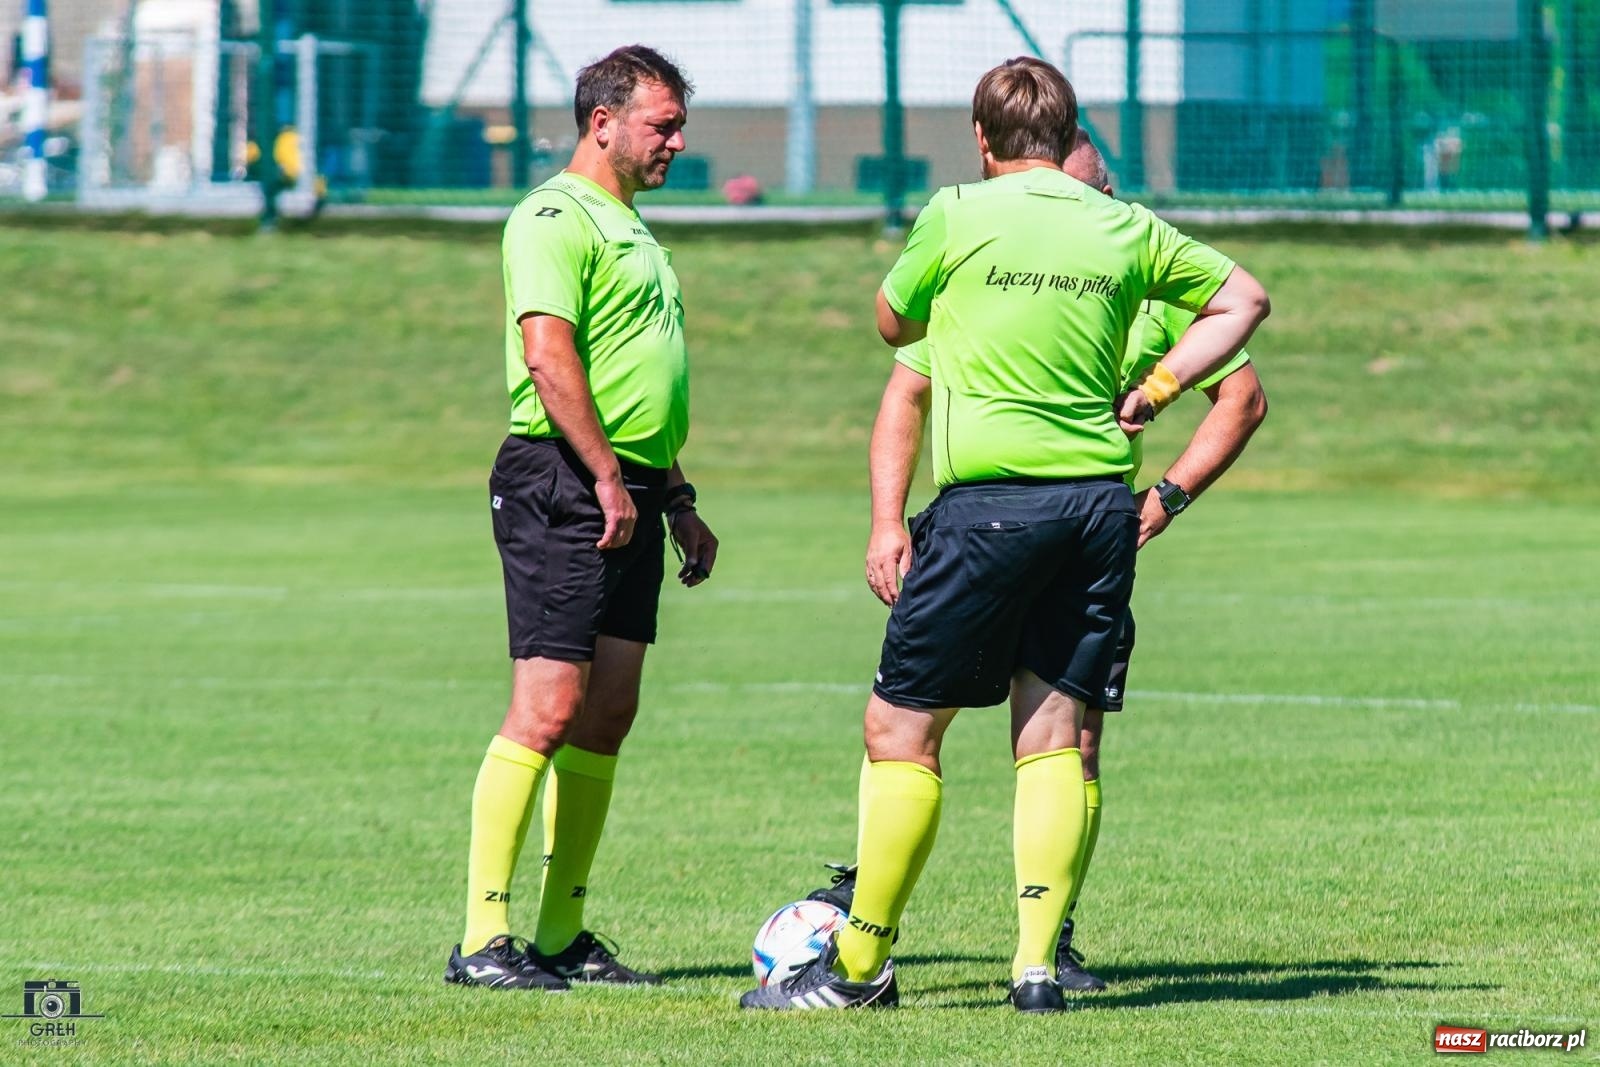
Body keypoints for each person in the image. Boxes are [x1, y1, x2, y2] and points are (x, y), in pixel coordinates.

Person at [741, 56, 1269, 1013]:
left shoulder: (957, 211)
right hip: (1098, 511)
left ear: (984, 140)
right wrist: (1153, 391)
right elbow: (1246, 302)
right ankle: (1036, 969)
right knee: (1054, 736)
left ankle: (856, 969)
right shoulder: (1124, 228)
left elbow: (893, 322)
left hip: (989, 509)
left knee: (899, 731)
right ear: (1068, 135)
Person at [444, 44, 719, 992]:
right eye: (664, 125)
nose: (678, 142)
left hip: (630, 485)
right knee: (549, 706)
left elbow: (634, 382)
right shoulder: (554, 216)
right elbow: (551, 358)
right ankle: (483, 940)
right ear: (602, 122)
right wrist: (605, 477)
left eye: (679, 124)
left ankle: (561, 934)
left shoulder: (632, 226)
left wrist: (671, 496)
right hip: (562, 480)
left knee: (608, 711)